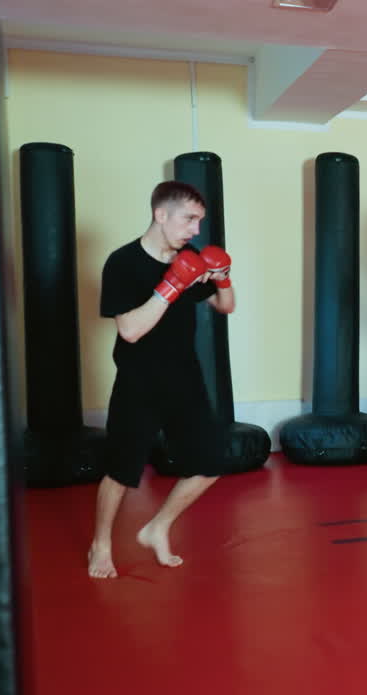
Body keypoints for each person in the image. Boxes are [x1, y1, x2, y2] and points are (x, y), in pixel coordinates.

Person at [86, 180, 236, 579]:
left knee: (211, 461)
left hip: (185, 376)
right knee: (121, 470)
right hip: (139, 379)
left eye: (199, 221)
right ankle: (101, 544)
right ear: (161, 214)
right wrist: (172, 285)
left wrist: (223, 277)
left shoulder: (190, 256)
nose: (195, 230)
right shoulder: (123, 263)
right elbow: (130, 330)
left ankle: (157, 527)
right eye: (189, 219)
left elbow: (226, 306)